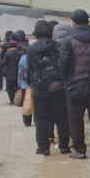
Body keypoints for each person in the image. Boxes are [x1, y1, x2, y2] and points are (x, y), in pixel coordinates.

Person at [58, 9, 90, 159]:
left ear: (73, 23)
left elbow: (63, 66)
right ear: (88, 21)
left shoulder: (67, 41)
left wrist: (66, 79)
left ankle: (79, 150)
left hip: (74, 86)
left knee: (75, 120)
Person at [27, 19, 70, 156]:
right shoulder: (57, 46)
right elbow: (62, 65)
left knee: (40, 118)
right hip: (57, 85)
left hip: (39, 86)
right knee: (61, 117)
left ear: (36, 33)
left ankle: (43, 147)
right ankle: (63, 145)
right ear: (51, 33)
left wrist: (30, 84)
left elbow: (29, 68)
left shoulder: (31, 48)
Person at [0, 39, 21, 104]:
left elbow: (3, 63)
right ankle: (16, 99)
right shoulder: (20, 54)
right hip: (18, 74)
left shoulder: (7, 54)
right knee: (16, 87)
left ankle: (12, 100)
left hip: (9, 74)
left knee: (9, 88)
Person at [17, 49, 32, 127]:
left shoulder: (23, 57)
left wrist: (19, 83)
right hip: (35, 83)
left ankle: (27, 121)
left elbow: (20, 71)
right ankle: (37, 121)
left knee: (26, 103)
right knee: (36, 103)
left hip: (24, 84)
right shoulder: (37, 56)